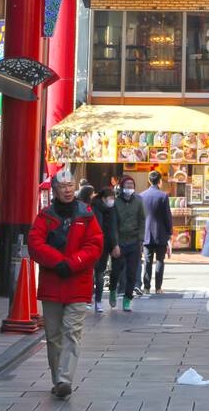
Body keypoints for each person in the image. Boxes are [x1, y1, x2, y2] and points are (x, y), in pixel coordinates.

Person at [28, 169, 102, 397]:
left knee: (72, 332)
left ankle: (64, 380)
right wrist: (58, 262)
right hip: (52, 285)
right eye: (63, 186)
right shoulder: (45, 216)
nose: (68, 190)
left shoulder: (86, 214)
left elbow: (95, 245)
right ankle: (58, 379)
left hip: (78, 283)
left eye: (71, 185)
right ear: (55, 191)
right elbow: (35, 244)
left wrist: (72, 263)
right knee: (53, 335)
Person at [113, 176, 145, 312]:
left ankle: (127, 298)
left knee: (132, 272)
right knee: (116, 271)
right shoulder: (115, 202)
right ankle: (113, 289)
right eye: (127, 185)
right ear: (121, 186)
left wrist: (141, 239)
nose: (130, 187)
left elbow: (142, 220)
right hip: (119, 242)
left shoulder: (138, 201)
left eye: (132, 185)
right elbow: (113, 224)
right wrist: (114, 243)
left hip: (134, 241)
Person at [141, 170, 173, 295]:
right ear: (159, 181)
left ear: (149, 181)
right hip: (160, 233)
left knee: (147, 261)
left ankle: (146, 287)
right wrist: (170, 232)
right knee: (160, 260)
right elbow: (167, 216)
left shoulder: (141, 195)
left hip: (146, 233)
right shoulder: (163, 196)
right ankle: (158, 288)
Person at [90, 185, 120, 312]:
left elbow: (114, 228)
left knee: (100, 273)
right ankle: (91, 298)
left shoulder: (112, 209)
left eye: (113, 198)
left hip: (107, 244)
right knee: (95, 273)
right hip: (95, 244)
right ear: (103, 198)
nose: (111, 200)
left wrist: (115, 244)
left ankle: (98, 300)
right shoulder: (94, 208)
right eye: (109, 198)